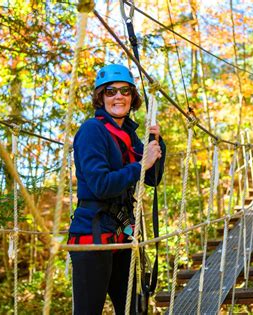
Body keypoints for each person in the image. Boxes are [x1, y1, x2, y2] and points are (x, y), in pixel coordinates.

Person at [68, 64, 166, 315]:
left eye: (125, 91)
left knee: (133, 310)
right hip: (93, 235)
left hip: (122, 232)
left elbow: (151, 179)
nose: (118, 96)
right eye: (110, 91)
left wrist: (156, 145)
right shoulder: (92, 130)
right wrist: (140, 165)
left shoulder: (129, 135)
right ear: (100, 97)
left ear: (133, 97)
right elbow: (101, 185)